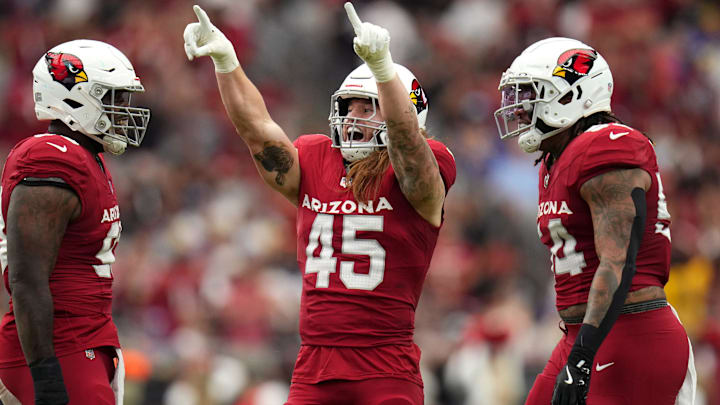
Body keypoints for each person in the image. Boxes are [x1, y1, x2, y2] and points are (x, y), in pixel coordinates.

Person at [184, 2, 455, 404]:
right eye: (349, 108)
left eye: (368, 108)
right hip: (315, 362)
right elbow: (258, 132)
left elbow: (408, 147)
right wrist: (227, 63)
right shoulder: (316, 159)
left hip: (385, 363)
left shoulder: (424, 167)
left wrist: (383, 69)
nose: (353, 118)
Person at [494, 37, 696, 405]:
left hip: (631, 333)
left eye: (531, 96)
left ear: (571, 95)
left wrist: (583, 357)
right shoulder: (556, 158)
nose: (520, 111)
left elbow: (617, 261)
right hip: (583, 333)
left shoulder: (605, 147)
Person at [0, 39, 150, 404]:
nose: (123, 111)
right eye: (114, 99)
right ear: (74, 96)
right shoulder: (51, 157)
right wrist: (47, 376)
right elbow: (26, 278)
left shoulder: (86, 156)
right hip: (61, 346)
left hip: (86, 337)